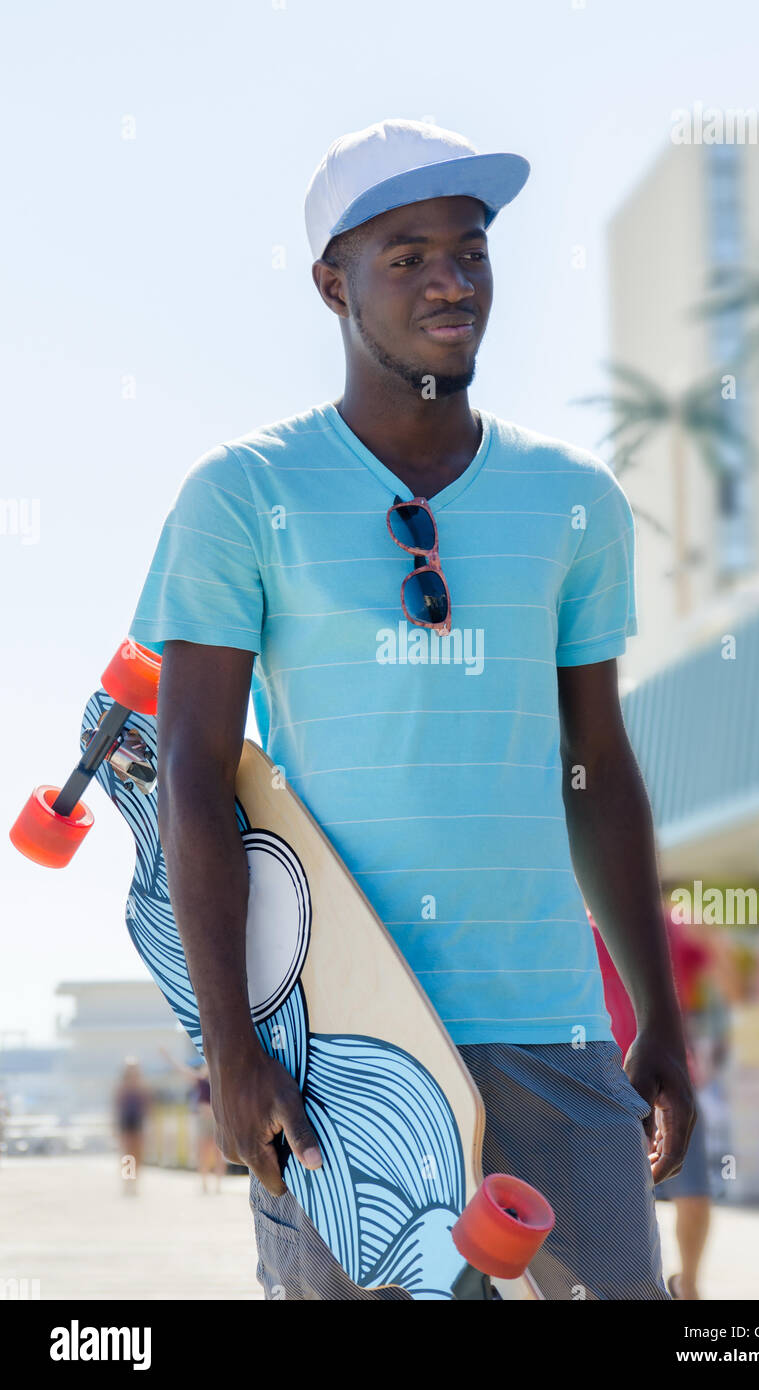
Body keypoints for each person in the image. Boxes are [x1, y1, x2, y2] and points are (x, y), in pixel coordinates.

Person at [129, 117, 694, 1300]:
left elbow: (598, 760)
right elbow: (192, 772)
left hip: (552, 1023)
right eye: (408, 256)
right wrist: (232, 1047)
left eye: (473, 251)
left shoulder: (570, 499)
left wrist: (659, 1016)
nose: (453, 281)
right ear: (333, 283)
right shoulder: (244, 493)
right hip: (343, 1044)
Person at [593, 899, 741, 1300]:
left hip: (673, 1082)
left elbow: (734, 990)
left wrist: (717, 941)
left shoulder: (673, 925)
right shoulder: (577, 925)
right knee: (624, 1205)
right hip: (605, 1082)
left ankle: (687, 1285)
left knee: (694, 1195)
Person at [160, 1048, 227, 1193]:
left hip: (215, 1121)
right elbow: (181, 1070)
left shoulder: (220, 1080)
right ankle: (205, 1183)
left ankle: (217, 1184)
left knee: (217, 1153)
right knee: (204, 1153)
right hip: (205, 1120)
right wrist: (168, 1056)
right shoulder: (201, 1080)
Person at [113, 1058, 151, 1194]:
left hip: (138, 1122)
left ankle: (135, 1181)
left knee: (138, 1153)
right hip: (125, 1122)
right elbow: (116, 1107)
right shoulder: (121, 1087)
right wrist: (114, 1127)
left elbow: (147, 1107)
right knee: (126, 1154)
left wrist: (149, 1126)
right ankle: (127, 1181)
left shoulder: (143, 1087)